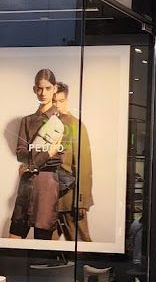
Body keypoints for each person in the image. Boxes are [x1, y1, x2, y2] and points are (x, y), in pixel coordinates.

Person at [8, 68, 64, 240]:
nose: (43, 93)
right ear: (34, 89)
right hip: (26, 184)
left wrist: (30, 162)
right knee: (14, 238)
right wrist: (47, 153)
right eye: (39, 88)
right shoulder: (27, 120)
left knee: (43, 242)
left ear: (55, 88)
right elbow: (20, 154)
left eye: (48, 88)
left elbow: (59, 157)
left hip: (47, 185)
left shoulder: (63, 120)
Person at [52, 82, 93, 242]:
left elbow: (84, 165)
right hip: (48, 200)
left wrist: (81, 200)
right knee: (48, 252)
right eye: (54, 101)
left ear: (66, 100)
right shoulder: (44, 124)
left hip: (70, 199)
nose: (57, 105)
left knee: (83, 248)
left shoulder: (75, 125)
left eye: (61, 101)